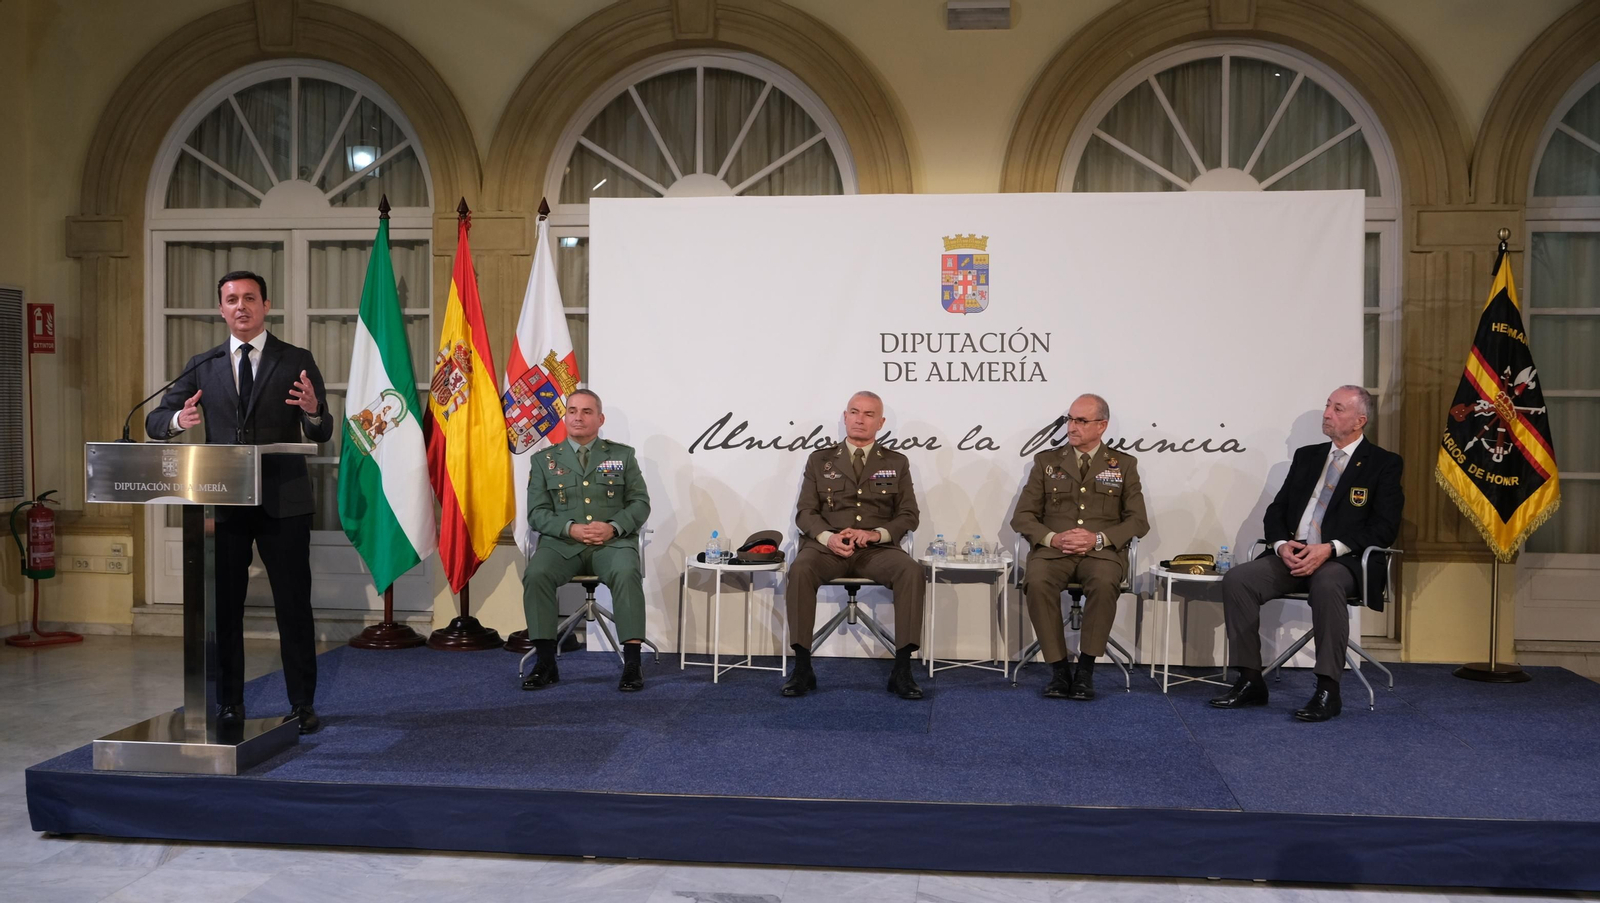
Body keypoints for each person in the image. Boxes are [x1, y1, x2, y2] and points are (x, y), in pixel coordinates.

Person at [146, 270, 332, 734]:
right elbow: (154, 419)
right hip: (224, 502)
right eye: (232, 300)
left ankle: (302, 704)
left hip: (283, 502)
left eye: (250, 298)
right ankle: (230, 704)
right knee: (225, 609)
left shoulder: (295, 359)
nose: (241, 307)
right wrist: (176, 419)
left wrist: (312, 411)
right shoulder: (203, 363)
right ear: (221, 309)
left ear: (267, 306)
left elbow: (323, 429)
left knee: (294, 606)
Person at [1210, 385, 1403, 722]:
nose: (1328, 414)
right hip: (1294, 554)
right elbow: (1277, 510)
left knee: (1327, 583)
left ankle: (1328, 688)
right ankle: (1250, 678)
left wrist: (1329, 548)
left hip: (1344, 561)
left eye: (1338, 409)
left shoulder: (1383, 464)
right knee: (1239, 579)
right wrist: (1283, 545)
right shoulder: (1308, 456)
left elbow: (1384, 528)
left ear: (1360, 420)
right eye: (1328, 406)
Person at [784, 391, 925, 699]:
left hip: (876, 551)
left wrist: (878, 534)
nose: (860, 419)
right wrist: (827, 537)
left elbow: (908, 514)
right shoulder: (819, 460)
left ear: (881, 422)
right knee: (800, 570)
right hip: (826, 548)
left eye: (869, 414)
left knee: (911, 572)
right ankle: (802, 668)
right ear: (845, 416)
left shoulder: (896, 462)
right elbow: (805, 512)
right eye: (854, 412)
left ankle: (902, 670)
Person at [1010, 393, 1148, 701]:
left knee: (1103, 580)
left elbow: (1138, 521)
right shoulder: (1046, 461)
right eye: (1070, 419)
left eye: (1081, 421)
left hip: (1100, 552)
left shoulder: (1123, 464)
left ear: (1102, 426)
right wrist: (1053, 539)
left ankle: (1085, 671)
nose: (1072, 427)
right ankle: (1059, 671)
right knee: (1037, 580)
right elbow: (1022, 517)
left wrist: (1099, 539)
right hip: (1053, 551)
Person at [521, 389, 652, 692]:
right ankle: (545, 662)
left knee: (626, 572)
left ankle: (632, 663)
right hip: (563, 544)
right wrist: (569, 528)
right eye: (572, 410)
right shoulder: (544, 460)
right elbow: (536, 513)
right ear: (565, 416)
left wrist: (614, 527)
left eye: (587, 411)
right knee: (536, 574)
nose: (578, 417)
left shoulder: (622, 455)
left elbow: (640, 503)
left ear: (600, 418)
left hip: (612, 543)